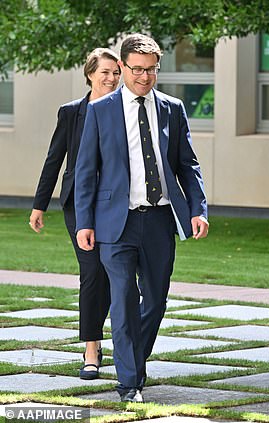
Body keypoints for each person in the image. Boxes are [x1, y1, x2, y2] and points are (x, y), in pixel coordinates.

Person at [74, 34, 209, 403]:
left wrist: (198, 209)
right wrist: (84, 222)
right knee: (122, 300)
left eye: (151, 70)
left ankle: (133, 358)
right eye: (136, 70)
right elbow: (86, 171)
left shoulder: (172, 108)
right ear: (122, 67)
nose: (144, 77)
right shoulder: (101, 110)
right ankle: (129, 382)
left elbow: (187, 163)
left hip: (159, 220)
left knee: (154, 301)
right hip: (114, 224)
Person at [29, 48, 120, 380]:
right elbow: (54, 159)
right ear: (90, 74)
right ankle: (92, 347)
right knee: (93, 271)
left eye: (115, 73)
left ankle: (117, 341)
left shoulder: (125, 110)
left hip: (116, 205)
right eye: (104, 72)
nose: (111, 79)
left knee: (114, 273)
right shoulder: (71, 113)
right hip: (77, 205)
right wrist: (39, 205)